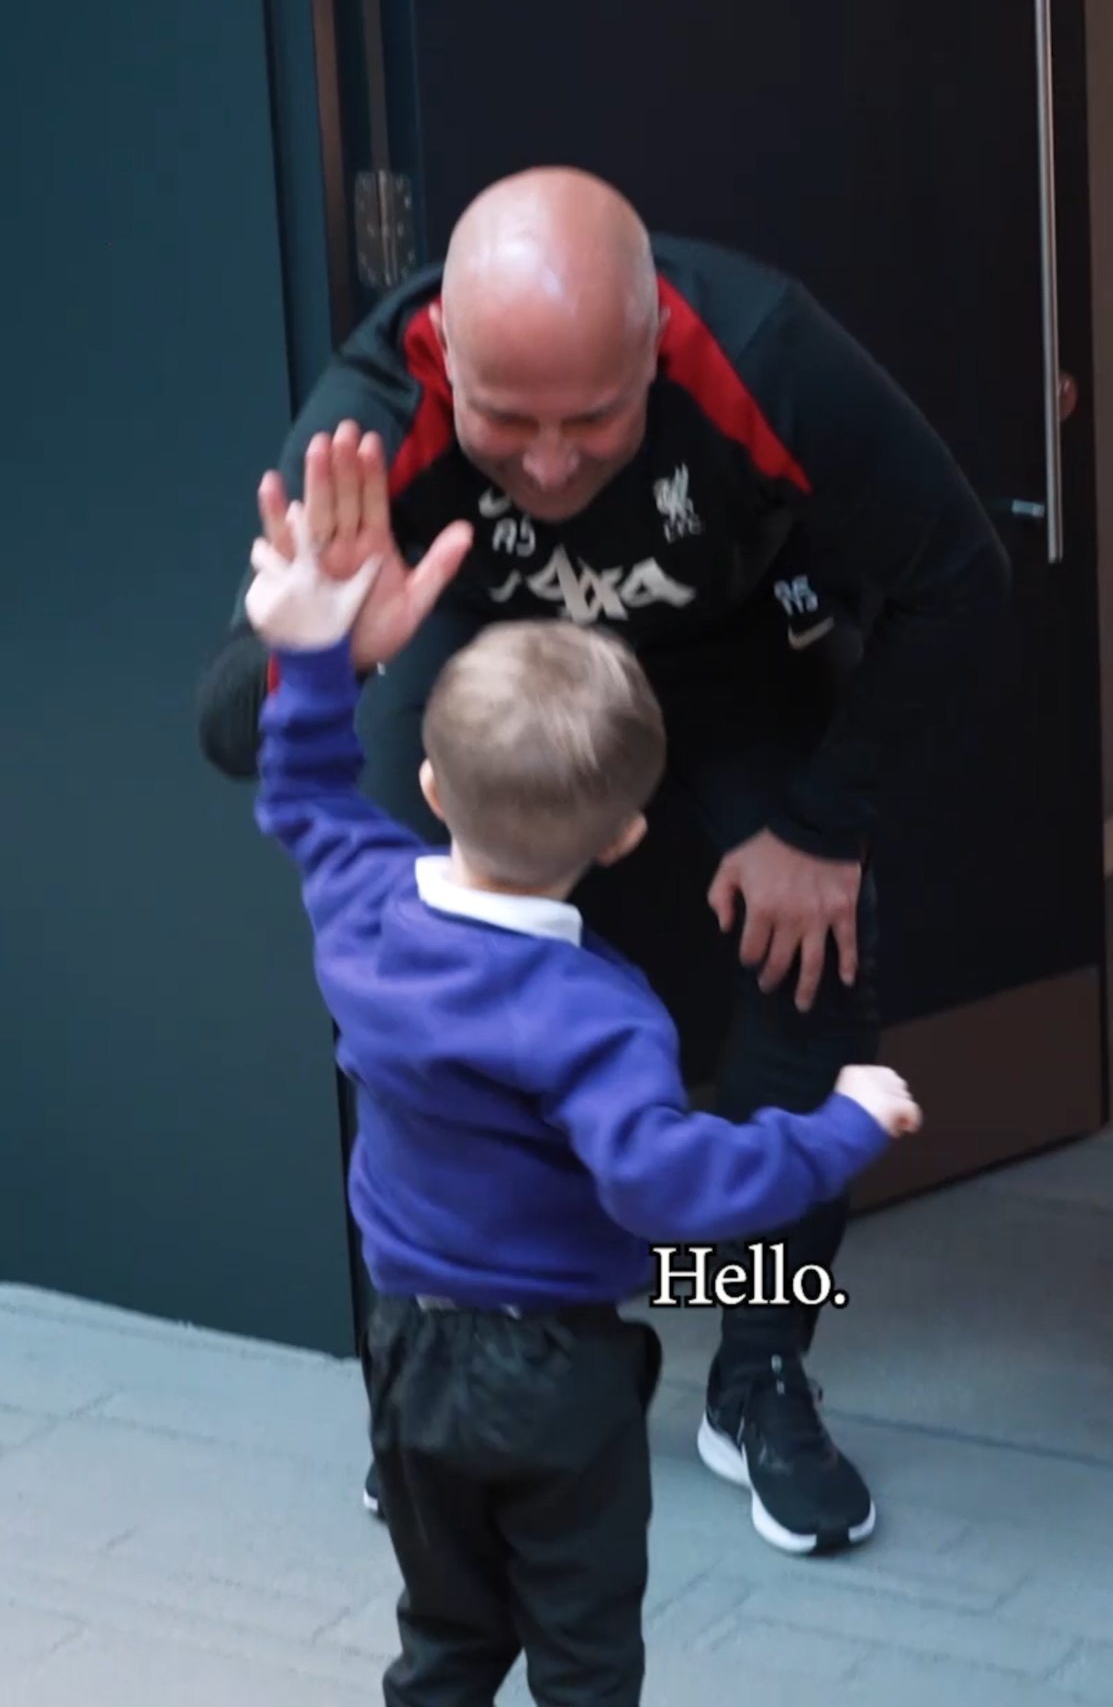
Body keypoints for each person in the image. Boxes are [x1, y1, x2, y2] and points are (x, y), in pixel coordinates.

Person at [197, 165, 1011, 1556]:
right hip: (479, 659)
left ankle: (756, 1367)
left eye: (598, 420)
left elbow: (961, 579)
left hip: (726, 660)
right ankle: (450, 1367)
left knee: (817, 951)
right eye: (510, 424)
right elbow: (229, 721)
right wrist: (347, 636)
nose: (556, 465)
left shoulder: (764, 354)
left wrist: (822, 825)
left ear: (659, 348)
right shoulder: (382, 405)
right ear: (451, 358)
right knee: (406, 953)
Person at [242, 503, 921, 1705]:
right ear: (624, 837)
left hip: (403, 1348)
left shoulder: (363, 906)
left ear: (434, 782)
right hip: (554, 1369)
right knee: (585, 1655)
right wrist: (843, 1122)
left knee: (445, 1639)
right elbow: (670, 1187)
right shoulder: (598, 1017)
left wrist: (310, 651)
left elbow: (302, 785)